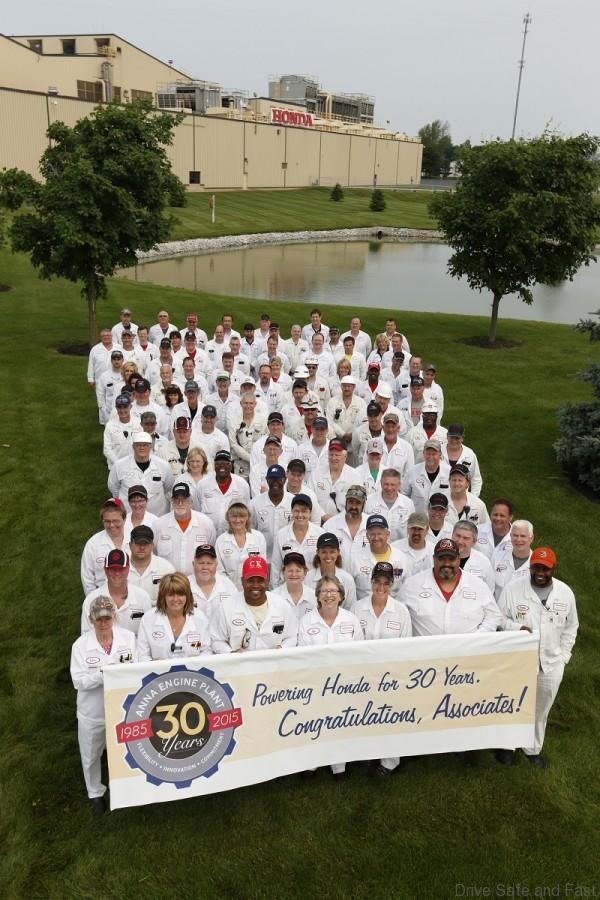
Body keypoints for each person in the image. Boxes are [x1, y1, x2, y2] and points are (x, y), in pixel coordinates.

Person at [497, 547, 578, 768]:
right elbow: (499, 619)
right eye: (536, 567)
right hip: (519, 662)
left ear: (553, 569)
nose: (540, 572)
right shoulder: (513, 590)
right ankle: (507, 746)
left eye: (545, 568)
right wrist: (516, 627)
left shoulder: (565, 593)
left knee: (540, 709)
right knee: (513, 705)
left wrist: (564, 656)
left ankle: (532, 749)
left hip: (551, 664)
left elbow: (572, 627)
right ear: (530, 567)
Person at [70, 596, 136, 813]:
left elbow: (136, 670)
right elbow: (78, 681)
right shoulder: (80, 646)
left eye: (107, 617)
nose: (103, 623)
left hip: (122, 710)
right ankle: (95, 793)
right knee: (90, 755)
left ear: (114, 617)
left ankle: (126, 788)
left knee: (125, 749)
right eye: (99, 619)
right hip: (92, 712)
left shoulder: (128, 638)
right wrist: (104, 674)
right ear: (91, 620)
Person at [297, 575, 363, 780]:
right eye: (324, 591)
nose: (329, 595)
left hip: (343, 684)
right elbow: (302, 654)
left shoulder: (351, 620)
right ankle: (311, 764)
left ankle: (339, 766)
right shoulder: (306, 621)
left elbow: (359, 652)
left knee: (339, 724)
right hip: (315, 683)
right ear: (317, 595)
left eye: (333, 591)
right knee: (314, 724)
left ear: (341, 596)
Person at [354, 561, 412, 776]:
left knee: (390, 717)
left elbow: (406, 646)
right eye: (377, 582)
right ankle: (368, 755)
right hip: (364, 675)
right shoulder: (358, 608)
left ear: (392, 585)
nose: (380, 587)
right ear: (371, 582)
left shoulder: (401, 611)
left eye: (386, 583)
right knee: (365, 715)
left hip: (391, 676)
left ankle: (390, 761)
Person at [401, 538, 502, 636]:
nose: (447, 563)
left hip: (467, 650)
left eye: (451, 559)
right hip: (426, 651)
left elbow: (494, 615)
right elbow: (398, 615)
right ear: (433, 559)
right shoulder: (411, 585)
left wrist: (478, 637)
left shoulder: (477, 585)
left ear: (459, 559)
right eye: (441, 559)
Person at [211, 556, 298, 653]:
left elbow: (292, 636)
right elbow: (217, 640)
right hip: (239, 666)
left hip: (275, 665)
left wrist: (281, 650)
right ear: (242, 581)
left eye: (260, 580)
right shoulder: (226, 607)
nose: (255, 585)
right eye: (250, 580)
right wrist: (231, 653)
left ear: (267, 581)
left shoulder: (282, 605)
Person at [136, 572, 212, 661]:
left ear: (188, 596)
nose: (175, 599)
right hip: (158, 673)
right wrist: (156, 666)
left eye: (180, 594)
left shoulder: (199, 617)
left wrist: (193, 663)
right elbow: (143, 655)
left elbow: (206, 651)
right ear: (163, 596)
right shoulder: (148, 619)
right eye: (171, 595)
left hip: (192, 673)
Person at [81, 549, 152, 635]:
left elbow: (149, 632)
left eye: (121, 568)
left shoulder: (142, 597)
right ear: (105, 569)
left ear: (128, 568)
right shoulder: (91, 600)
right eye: (112, 569)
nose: (117, 573)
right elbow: (86, 636)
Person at [154, 482, 216, 574]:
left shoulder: (206, 523)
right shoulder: (158, 524)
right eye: (176, 500)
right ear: (172, 503)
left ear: (190, 502)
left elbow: (211, 547)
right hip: (168, 582)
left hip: (196, 581)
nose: (180, 503)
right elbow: (153, 553)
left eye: (184, 499)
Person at [108, 432, 174, 516]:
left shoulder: (163, 466)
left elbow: (168, 487)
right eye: (138, 445)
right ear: (133, 446)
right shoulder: (119, 466)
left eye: (145, 445)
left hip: (157, 516)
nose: (142, 448)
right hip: (129, 516)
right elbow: (113, 487)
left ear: (150, 446)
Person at [353, 514, 412, 601]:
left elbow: (408, 589)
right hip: (363, 611)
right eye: (372, 534)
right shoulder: (355, 558)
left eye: (380, 533)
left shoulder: (402, 558)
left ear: (387, 534)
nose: (376, 538)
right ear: (367, 535)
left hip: (394, 611)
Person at [271, 494, 323, 587]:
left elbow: (322, 565)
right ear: (291, 511)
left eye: (304, 511)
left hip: (313, 587)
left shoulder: (320, 534)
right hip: (287, 587)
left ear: (310, 513)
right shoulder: (281, 534)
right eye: (296, 511)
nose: (300, 515)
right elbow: (276, 566)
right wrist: (274, 591)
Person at [215, 502, 267, 590]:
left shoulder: (258, 537)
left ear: (247, 517)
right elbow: (219, 570)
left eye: (241, 516)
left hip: (253, 589)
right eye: (234, 516)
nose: (237, 520)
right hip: (228, 590)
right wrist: (230, 588)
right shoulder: (221, 540)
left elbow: (263, 566)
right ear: (228, 517)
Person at [81, 498, 128, 595]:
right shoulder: (93, 544)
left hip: (133, 598)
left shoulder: (134, 539)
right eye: (107, 521)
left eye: (115, 521)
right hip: (103, 599)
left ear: (124, 519)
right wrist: (94, 601)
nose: (111, 525)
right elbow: (87, 578)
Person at [198, 449, 250, 536]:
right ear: (214, 466)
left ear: (231, 465)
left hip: (233, 536)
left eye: (226, 463)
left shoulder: (242, 485)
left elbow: (246, 512)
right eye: (218, 463)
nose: (222, 466)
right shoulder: (203, 484)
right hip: (206, 535)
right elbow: (197, 511)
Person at [304, 532, 358, 608]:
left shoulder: (348, 580)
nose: (328, 556)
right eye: (324, 552)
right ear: (318, 552)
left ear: (338, 552)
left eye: (332, 552)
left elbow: (351, 609)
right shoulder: (308, 578)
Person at [250, 465, 293, 557]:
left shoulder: (293, 502)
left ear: (285, 479)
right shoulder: (255, 503)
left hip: (287, 557)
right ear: (266, 480)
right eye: (271, 479)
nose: (275, 483)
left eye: (279, 479)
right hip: (262, 556)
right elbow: (251, 531)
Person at [128, 525, 175, 605]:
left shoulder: (166, 568)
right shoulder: (120, 569)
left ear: (152, 545)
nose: (142, 547)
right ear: (130, 545)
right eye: (138, 543)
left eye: (146, 543)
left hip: (158, 614)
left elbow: (174, 596)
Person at [365, 467, 415, 542]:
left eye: (393, 484)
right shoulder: (368, 501)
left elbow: (412, 529)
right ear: (381, 483)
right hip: (375, 548)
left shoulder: (408, 504)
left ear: (399, 485)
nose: (389, 488)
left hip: (401, 550)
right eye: (386, 484)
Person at [325, 485, 369, 569]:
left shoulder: (371, 525)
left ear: (364, 504)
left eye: (358, 503)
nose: (353, 507)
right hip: (337, 578)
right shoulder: (330, 525)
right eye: (351, 502)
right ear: (346, 502)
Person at [189, 544, 238, 618]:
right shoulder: (184, 584)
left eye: (209, 563)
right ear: (193, 564)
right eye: (201, 563)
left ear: (216, 565)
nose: (205, 567)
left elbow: (236, 613)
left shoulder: (227, 585)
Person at [313, 439, 356, 520]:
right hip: (318, 521)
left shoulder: (354, 476)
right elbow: (310, 499)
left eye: (337, 455)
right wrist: (324, 516)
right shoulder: (316, 473)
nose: (333, 458)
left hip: (345, 522)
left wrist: (339, 520)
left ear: (345, 456)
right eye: (331, 454)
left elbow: (357, 503)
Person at [403, 439, 450, 514]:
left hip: (441, 519)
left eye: (434, 454)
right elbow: (404, 495)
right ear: (423, 453)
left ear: (440, 454)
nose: (430, 457)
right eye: (428, 453)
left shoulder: (449, 472)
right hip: (417, 519)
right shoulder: (412, 471)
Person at [492, 519, 534, 599]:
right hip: (497, 609)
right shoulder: (497, 557)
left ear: (531, 538)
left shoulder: (537, 564)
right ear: (510, 536)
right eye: (515, 535)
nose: (518, 539)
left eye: (523, 536)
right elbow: (489, 586)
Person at [229, 394, 267, 481]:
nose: (248, 406)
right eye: (245, 403)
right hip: (240, 465)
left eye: (251, 403)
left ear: (255, 404)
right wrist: (251, 459)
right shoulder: (234, 421)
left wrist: (257, 459)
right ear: (241, 403)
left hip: (259, 463)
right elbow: (233, 444)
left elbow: (266, 440)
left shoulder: (263, 420)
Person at [272, 552, 317, 620]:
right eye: (290, 570)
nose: (294, 574)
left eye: (298, 571)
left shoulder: (314, 597)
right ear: (283, 572)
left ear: (305, 572)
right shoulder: (273, 597)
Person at [452, 521, 495, 593]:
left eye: (465, 538)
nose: (460, 541)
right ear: (452, 535)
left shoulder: (483, 562)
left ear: (474, 542)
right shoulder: (439, 557)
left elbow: (489, 591)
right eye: (458, 536)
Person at [442, 423, 483, 498]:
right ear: (447, 436)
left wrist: (473, 498)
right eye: (452, 437)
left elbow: (476, 479)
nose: (454, 440)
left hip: (462, 498)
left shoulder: (470, 454)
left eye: (457, 438)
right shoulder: (438, 451)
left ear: (462, 438)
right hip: (441, 497)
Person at [103, 393, 140, 468]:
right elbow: (107, 449)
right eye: (119, 407)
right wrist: (119, 463)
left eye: (125, 407)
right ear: (116, 408)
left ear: (130, 406)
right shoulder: (110, 425)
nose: (122, 410)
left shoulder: (138, 423)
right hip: (115, 465)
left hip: (135, 464)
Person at [445, 464, 488, 528]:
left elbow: (487, 528)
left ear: (467, 483)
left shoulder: (479, 505)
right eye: (454, 480)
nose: (456, 483)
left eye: (460, 480)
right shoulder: (441, 502)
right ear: (449, 481)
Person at [392, 511, 432, 576]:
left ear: (427, 529)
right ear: (407, 528)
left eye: (420, 529)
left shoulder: (434, 551)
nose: (416, 532)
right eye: (413, 528)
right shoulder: (394, 549)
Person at [178, 445, 211, 512]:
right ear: (188, 463)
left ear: (204, 462)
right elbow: (175, 502)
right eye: (192, 461)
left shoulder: (212, 478)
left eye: (198, 461)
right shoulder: (180, 480)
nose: (195, 464)